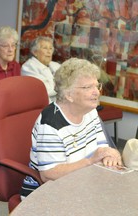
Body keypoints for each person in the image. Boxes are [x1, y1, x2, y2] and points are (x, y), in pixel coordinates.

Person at [20, 58, 122, 198]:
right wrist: (90, 161)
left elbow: (101, 149)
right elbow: (48, 174)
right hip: (45, 194)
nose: (96, 92)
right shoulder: (51, 123)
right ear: (69, 95)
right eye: (88, 87)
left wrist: (110, 154)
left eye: (96, 86)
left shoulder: (90, 111)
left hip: (80, 184)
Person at [21, 36, 60, 103]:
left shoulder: (56, 65)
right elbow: (45, 90)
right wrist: (63, 87)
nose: (49, 52)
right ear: (35, 52)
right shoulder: (28, 67)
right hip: (41, 106)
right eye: (45, 48)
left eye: (50, 48)